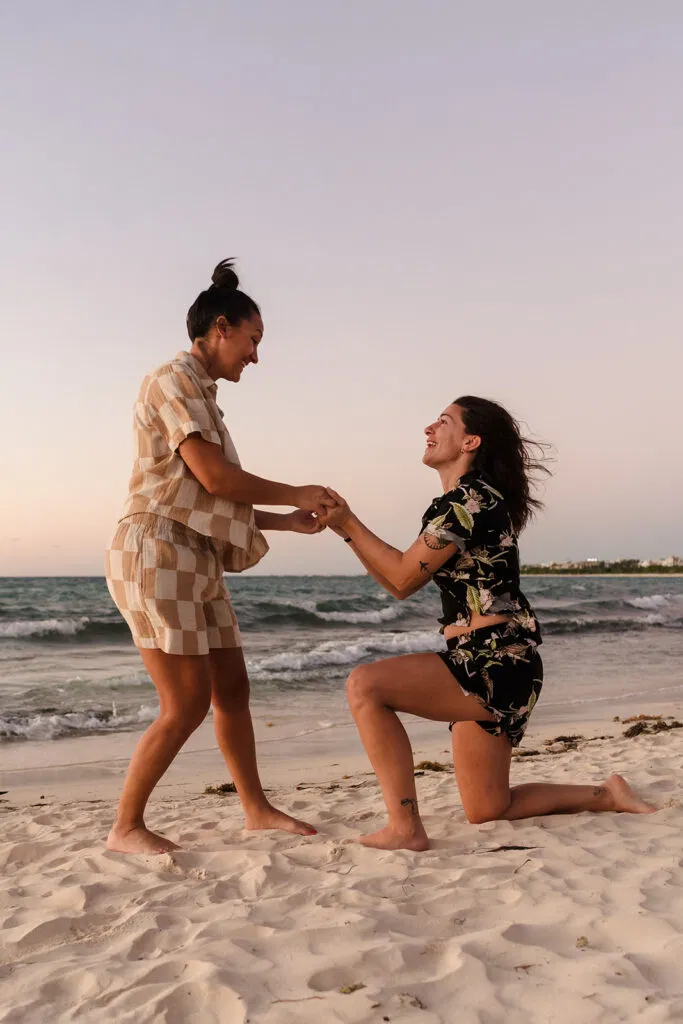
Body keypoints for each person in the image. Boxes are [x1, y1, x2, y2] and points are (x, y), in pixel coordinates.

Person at [319, 396, 655, 851]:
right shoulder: (467, 500)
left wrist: (349, 520)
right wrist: (344, 528)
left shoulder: (467, 501)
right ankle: (606, 794)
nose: (428, 429)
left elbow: (400, 576)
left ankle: (404, 827)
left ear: (470, 441)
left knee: (365, 686)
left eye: (443, 422)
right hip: (501, 661)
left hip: (492, 660)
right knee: (487, 809)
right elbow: (397, 581)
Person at [105, 259, 337, 854]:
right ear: (222, 327)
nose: (255, 357)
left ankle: (255, 809)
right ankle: (126, 826)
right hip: (156, 551)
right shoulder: (172, 379)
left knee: (232, 687)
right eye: (253, 340)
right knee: (183, 704)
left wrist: (285, 519)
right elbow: (214, 475)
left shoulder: (203, 394)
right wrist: (295, 492)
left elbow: (207, 497)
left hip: (193, 552)